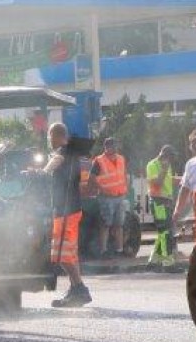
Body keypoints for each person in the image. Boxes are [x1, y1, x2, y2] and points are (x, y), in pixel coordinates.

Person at [29, 122, 91, 308]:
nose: (49, 140)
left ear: (56, 136)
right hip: (70, 209)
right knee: (69, 254)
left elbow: (49, 169)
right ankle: (75, 290)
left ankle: (80, 289)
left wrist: (37, 172)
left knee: (62, 255)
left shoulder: (62, 153)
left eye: (49, 136)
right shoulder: (70, 153)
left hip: (66, 210)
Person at [87, 136, 129, 257]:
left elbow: (124, 174)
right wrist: (102, 189)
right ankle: (103, 250)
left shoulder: (121, 159)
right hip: (106, 197)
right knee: (105, 224)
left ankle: (119, 250)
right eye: (113, 145)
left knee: (119, 224)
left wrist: (125, 186)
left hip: (120, 196)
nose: (115, 148)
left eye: (116, 145)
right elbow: (92, 177)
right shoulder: (99, 161)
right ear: (106, 147)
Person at [144, 144, 178, 266]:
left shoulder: (166, 166)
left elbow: (168, 180)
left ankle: (153, 261)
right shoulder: (152, 165)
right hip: (158, 202)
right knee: (165, 232)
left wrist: (183, 179)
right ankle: (168, 262)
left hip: (166, 201)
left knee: (163, 231)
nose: (172, 160)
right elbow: (157, 183)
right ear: (165, 155)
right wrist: (163, 169)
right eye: (171, 157)